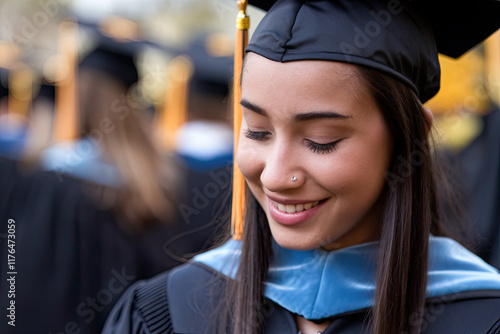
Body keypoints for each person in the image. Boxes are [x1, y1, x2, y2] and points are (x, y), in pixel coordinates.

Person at [102, 1, 500, 333]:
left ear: (410, 138)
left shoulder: (483, 318)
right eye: (256, 131)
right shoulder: (166, 314)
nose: (275, 176)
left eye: (321, 141)